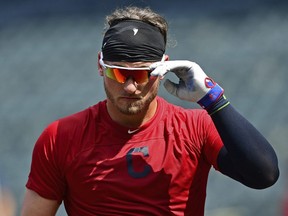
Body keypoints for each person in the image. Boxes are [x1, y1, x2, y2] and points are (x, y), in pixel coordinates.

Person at [21, 6, 279, 216]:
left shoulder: (194, 127)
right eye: (119, 72)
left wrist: (212, 99)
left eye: (143, 73)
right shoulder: (61, 137)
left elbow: (264, 175)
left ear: (164, 67)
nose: (131, 86)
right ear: (100, 66)